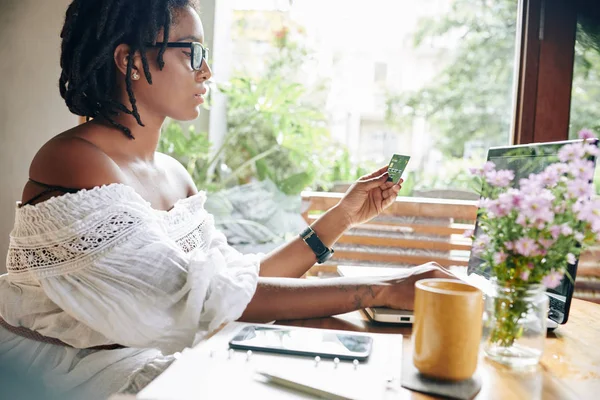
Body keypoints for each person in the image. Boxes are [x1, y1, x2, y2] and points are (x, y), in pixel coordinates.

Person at [0, 1, 453, 398]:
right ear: (129, 60)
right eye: (192, 51)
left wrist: (342, 217)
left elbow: (235, 283)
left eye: (206, 54)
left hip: (144, 357)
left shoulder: (174, 173)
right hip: (66, 375)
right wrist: (382, 289)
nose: (207, 71)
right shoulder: (71, 161)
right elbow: (197, 300)